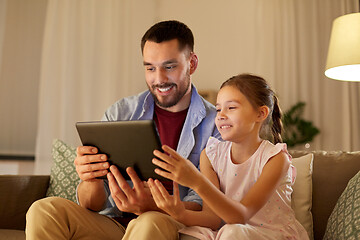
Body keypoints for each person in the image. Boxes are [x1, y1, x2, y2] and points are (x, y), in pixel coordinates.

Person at [26, 20, 220, 240]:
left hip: (168, 221)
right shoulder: (120, 112)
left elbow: (207, 206)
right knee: (43, 210)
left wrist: (152, 206)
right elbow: (92, 204)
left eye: (169, 67)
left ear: (192, 63)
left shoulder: (216, 125)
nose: (159, 79)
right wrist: (90, 178)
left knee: (149, 222)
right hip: (113, 222)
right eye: (150, 68)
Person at [148, 73, 309, 239]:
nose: (220, 115)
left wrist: (196, 181)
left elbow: (241, 215)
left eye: (231, 108)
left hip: (269, 234)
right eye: (218, 109)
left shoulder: (275, 159)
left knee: (233, 231)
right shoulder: (210, 156)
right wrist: (179, 213)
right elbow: (212, 218)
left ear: (260, 114)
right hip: (228, 232)